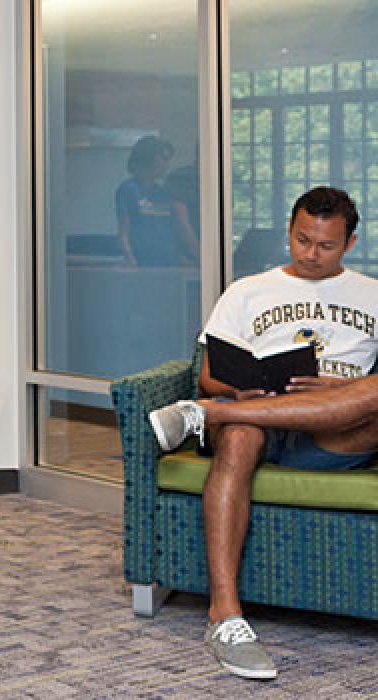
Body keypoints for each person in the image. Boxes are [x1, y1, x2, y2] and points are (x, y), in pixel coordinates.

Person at [147, 186, 378, 680]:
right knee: (241, 431)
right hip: (258, 420)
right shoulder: (247, 291)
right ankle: (225, 615)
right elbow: (211, 374)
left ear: (351, 243)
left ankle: (205, 416)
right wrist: (240, 394)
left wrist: (341, 388)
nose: (311, 254)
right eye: (301, 240)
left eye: (326, 246)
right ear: (289, 231)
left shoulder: (374, 294)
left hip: (334, 436)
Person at [116, 135, 199, 267]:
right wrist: (130, 259)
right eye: (164, 159)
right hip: (143, 263)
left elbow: (172, 230)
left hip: (169, 262)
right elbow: (124, 231)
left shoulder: (163, 192)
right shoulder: (129, 189)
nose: (167, 165)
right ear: (148, 158)